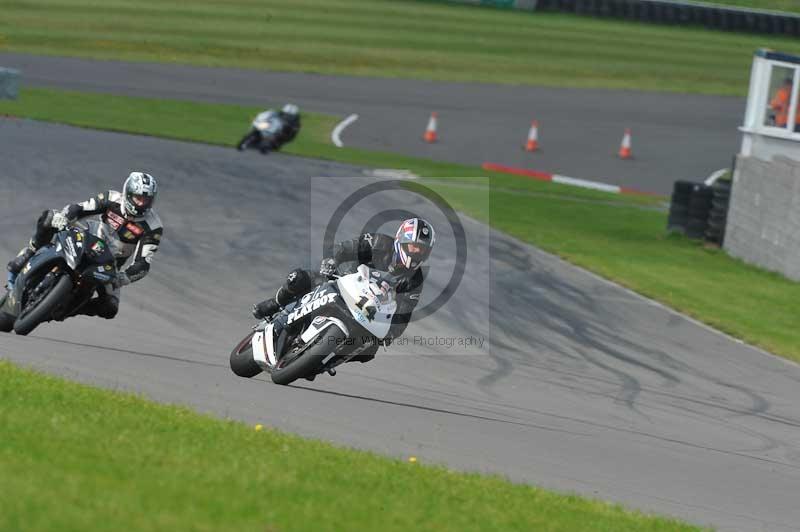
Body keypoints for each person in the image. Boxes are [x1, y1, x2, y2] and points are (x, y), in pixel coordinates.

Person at [252, 218, 436, 364]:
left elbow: (405, 312)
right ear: (400, 240)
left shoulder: (415, 280)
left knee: (369, 351)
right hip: (340, 281)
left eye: (421, 250)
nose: (416, 253)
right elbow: (345, 248)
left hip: (366, 310)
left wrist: (391, 334)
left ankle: (323, 361)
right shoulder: (378, 242)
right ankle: (275, 304)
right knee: (297, 278)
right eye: (413, 246)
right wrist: (332, 260)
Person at [5, 172, 163, 319]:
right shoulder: (112, 198)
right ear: (128, 193)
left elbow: (143, 264)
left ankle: (70, 309)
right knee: (50, 218)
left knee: (110, 308)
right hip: (88, 237)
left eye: (146, 200)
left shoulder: (153, 226)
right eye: (138, 198)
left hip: (110, 265)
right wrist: (64, 217)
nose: (142, 203)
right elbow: (79, 208)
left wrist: (123, 278)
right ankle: (30, 251)